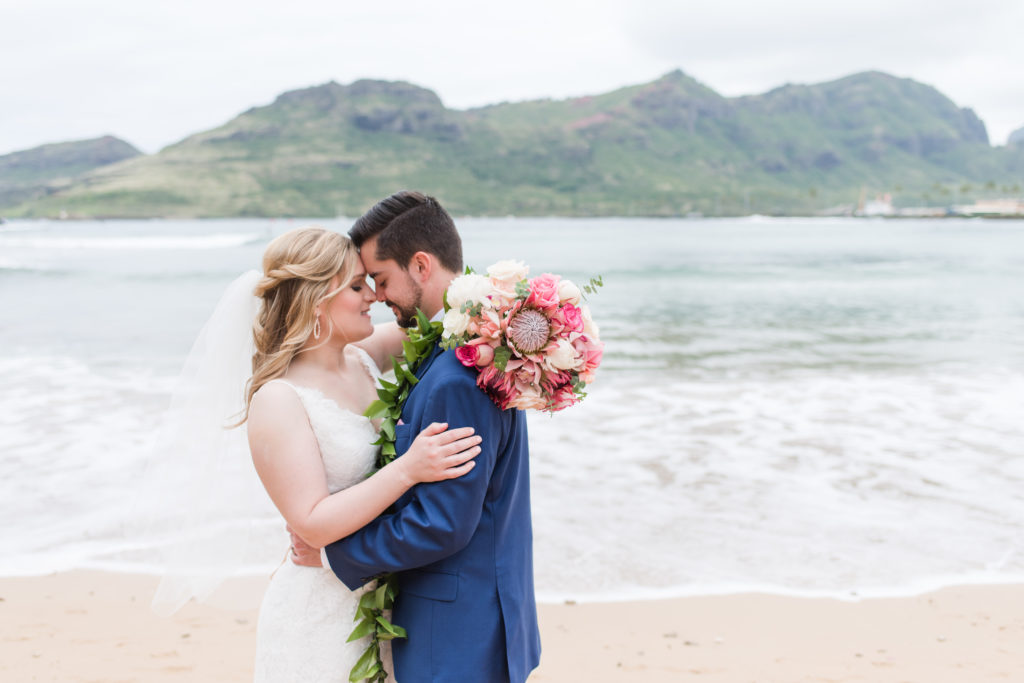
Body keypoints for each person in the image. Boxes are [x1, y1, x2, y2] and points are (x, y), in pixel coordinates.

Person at [290, 192, 542, 683]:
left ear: (421, 265)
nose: (377, 296)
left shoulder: (457, 375)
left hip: (455, 631)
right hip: (478, 616)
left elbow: (441, 524)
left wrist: (330, 553)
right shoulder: (472, 350)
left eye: (380, 280)